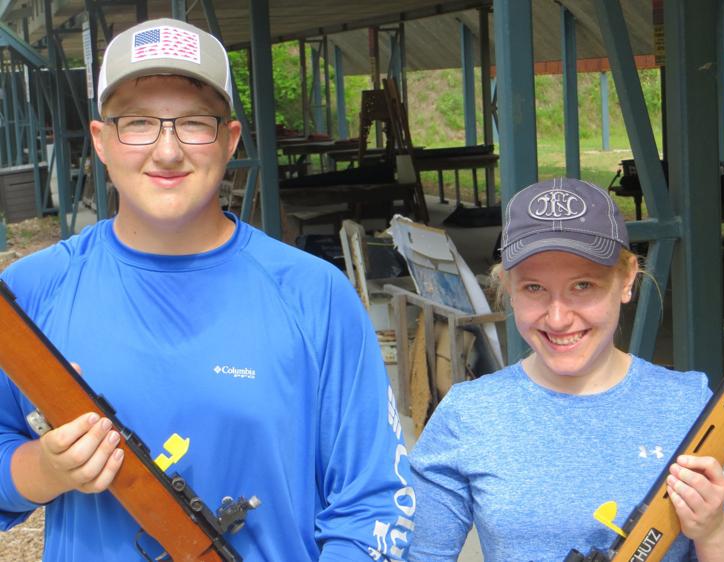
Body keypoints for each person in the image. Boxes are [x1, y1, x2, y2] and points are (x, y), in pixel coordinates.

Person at [0, 18, 414, 561]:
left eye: (194, 123)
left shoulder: (315, 296)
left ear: (230, 140)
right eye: (139, 123)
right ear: (101, 141)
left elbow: (374, 502)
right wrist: (44, 470)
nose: (167, 151)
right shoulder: (30, 293)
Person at [408, 177, 724, 561]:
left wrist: (713, 528)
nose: (557, 318)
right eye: (534, 288)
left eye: (583, 285)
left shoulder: (693, 411)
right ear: (506, 286)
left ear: (626, 280)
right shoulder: (469, 414)